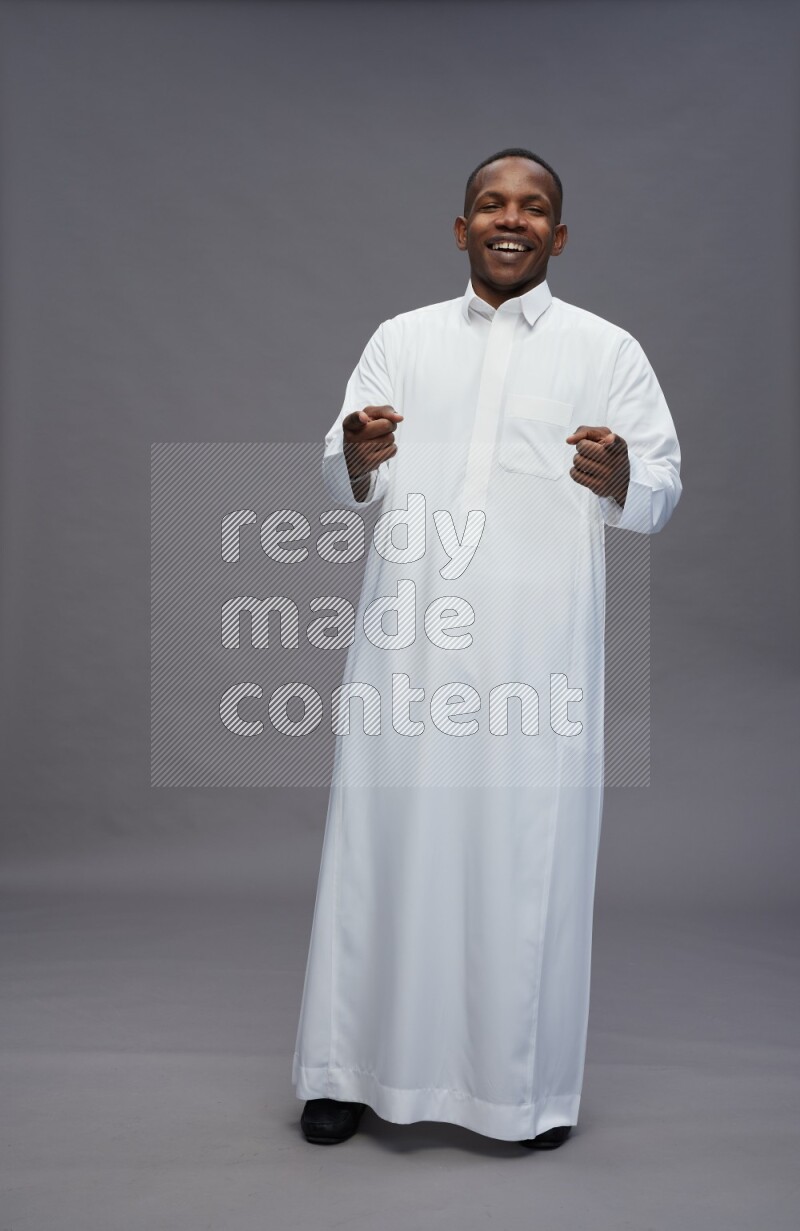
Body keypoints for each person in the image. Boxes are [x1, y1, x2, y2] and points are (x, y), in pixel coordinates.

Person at [292, 148, 681, 1149]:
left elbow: (661, 490)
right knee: (380, 851)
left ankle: (520, 1090)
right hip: (408, 644)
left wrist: (620, 476)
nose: (512, 219)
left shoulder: (607, 351)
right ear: (460, 228)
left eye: (533, 207)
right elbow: (339, 469)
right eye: (491, 204)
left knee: (521, 863)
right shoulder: (400, 339)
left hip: (535, 658)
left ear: (560, 235)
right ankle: (343, 1071)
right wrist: (355, 456)